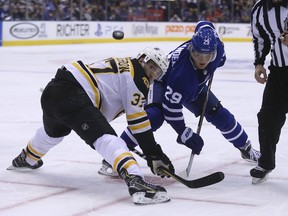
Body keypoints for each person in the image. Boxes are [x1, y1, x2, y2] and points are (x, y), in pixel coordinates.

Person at [7, 47, 175, 205]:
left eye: (157, 71)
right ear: (143, 60)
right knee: (105, 138)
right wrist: (154, 154)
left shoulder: (127, 65)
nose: (153, 74)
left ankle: (26, 158)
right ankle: (136, 181)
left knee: (54, 133)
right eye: (152, 67)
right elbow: (139, 124)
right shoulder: (139, 79)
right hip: (74, 94)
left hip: (54, 91)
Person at [99, 21, 261, 176]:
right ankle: (112, 156)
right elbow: (171, 110)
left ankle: (246, 148)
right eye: (197, 54)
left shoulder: (216, 44)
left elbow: (204, 24)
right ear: (191, 49)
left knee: (220, 115)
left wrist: (218, 58)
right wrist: (184, 133)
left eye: (208, 56)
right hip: (164, 83)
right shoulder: (182, 75)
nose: (202, 60)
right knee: (154, 117)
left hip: (195, 86)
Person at [249, 0, 288, 184]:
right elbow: (260, 38)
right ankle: (266, 163)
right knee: (267, 117)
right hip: (278, 73)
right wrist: (259, 63)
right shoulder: (259, 9)